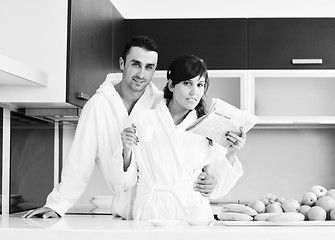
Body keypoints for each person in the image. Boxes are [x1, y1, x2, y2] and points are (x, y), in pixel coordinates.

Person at [23, 36, 217, 219]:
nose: (142, 74)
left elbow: (187, 149)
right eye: (135, 64)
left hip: (162, 212)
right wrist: (57, 205)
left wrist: (209, 175)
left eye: (149, 67)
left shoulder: (161, 105)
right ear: (122, 64)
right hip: (125, 211)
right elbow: (79, 161)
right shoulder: (98, 106)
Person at [116, 55, 245, 221]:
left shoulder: (207, 126)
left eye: (200, 85)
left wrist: (231, 154)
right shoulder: (143, 120)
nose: (194, 91)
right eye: (187, 83)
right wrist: (126, 149)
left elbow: (217, 185)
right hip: (152, 210)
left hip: (192, 212)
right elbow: (125, 180)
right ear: (171, 85)